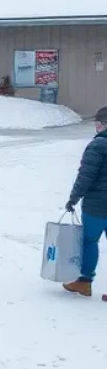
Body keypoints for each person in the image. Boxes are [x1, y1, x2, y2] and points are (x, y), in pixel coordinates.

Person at [63, 106, 107, 297]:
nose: (96, 127)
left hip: (97, 206)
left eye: (97, 123)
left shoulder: (98, 146)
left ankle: (84, 281)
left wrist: (73, 198)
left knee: (89, 242)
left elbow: (86, 176)